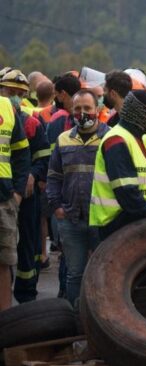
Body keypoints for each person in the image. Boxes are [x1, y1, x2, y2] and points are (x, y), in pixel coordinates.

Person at [47, 89, 108, 305]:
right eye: (78, 109)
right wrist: (56, 207)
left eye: (87, 108)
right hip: (71, 218)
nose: (83, 113)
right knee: (75, 275)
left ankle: (103, 319)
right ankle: (76, 321)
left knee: (105, 274)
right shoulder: (63, 140)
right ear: (72, 111)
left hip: (102, 219)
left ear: (98, 110)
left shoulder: (110, 138)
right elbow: (53, 176)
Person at [1, 70, 49, 303]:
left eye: (21, 94)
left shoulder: (32, 123)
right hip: (6, 193)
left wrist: (33, 174)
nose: (16, 99)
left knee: (27, 245)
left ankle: (26, 295)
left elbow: (43, 158)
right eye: (11, 93)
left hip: (27, 197)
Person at [89, 90, 146, 239]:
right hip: (116, 226)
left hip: (132, 224)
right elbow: (125, 190)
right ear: (140, 113)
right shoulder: (116, 140)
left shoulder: (134, 139)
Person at [0, 93, 30, 311]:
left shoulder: (6, 106)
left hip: (3, 199)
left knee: (4, 262)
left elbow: (21, 152)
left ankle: (4, 326)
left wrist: (17, 193)